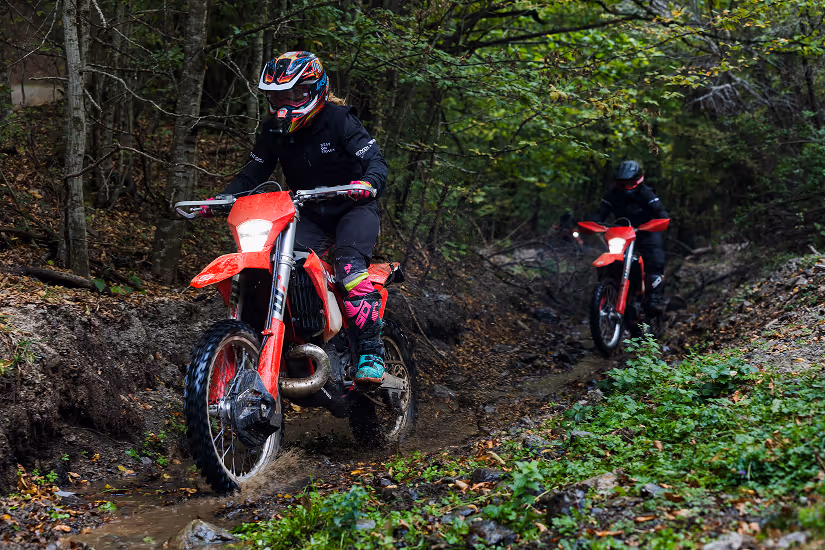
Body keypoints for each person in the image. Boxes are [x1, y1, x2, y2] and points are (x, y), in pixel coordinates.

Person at [218, 51, 389, 386]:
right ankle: (296, 339)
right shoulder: (274, 131)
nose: (286, 104)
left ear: (316, 89)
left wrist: (368, 183)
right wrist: (223, 198)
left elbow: (376, 161)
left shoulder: (340, 120)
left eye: (296, 94)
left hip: (353, 207)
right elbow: (252, 172)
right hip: (308, 212)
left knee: (350, 268)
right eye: (278, 97)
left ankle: (371, 352)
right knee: (274, 265)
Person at [592, 160, 669, 313]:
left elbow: (660, 213)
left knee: (655, 259)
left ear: (638, 180)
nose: (625, 187)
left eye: (629, 183)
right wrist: (593, 224)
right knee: (610, 257)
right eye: (622, 184)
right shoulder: (612, 194)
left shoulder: (646, 193)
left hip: (646, 231)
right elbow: (600, 212)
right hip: (622, 233)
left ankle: (654, 300)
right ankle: (607, 289)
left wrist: (656, 223)